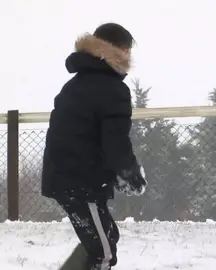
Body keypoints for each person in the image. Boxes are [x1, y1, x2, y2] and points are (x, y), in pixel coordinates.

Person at [41, 22, 147, 270]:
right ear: (118, 50)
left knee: (107, 237)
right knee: (104, 253)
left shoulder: (77, 84)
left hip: (68, 178)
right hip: (81, 183)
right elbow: (115, 141)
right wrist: (129, 173)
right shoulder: (112, 89)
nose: (129, 55)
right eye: (127, 49)